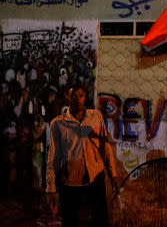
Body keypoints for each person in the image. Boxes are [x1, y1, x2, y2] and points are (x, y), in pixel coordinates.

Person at [46, 84, 118, 227]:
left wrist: (113, 174)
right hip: (70, 180)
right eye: (72, 95)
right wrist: (51, 188)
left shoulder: (95, 116)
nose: (76, 99)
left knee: (101, 219)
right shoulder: (58, 124)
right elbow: (53, 156)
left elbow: (105, 147)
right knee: (70, 220)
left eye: (80, 95)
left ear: (85, 98)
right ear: (67, 97)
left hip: (95, 176)